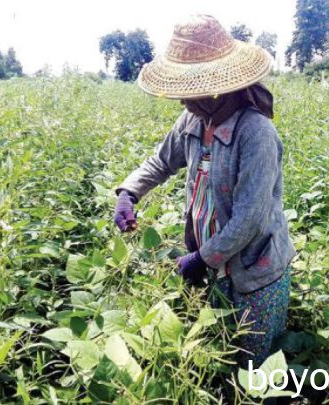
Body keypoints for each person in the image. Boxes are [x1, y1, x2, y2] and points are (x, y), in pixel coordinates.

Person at [113, 14, 296, 369]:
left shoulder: (255, 133)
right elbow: (162, 160)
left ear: (218, 88)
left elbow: (250, 219)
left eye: (191, 93)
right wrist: (129, 193)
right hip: (211, 263)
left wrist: (201, 259)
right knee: (217, 351)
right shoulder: (195, 119)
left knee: (252, 363)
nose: (183, 103)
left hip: (253, 272)